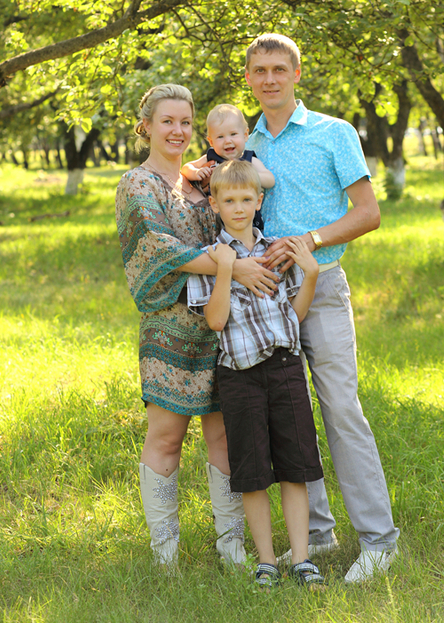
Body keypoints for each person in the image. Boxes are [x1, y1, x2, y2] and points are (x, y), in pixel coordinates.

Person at [244, 34, 400, 584]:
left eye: (278, 69)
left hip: (324, 286)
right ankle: (316, 532)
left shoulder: (334, 132)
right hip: (265, 297)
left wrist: (308, 240)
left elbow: (368, 213)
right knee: (287, 413)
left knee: (340, 408)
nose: (269, 79)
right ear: (248, 78)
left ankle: (379, 541)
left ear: (296, 73)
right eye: (259, 70)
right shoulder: (245, 144)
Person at [115, 84, 278, 568]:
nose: (177, 130)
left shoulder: (206, 181)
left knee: (225, 437)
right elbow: (156, 247)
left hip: (223, 329)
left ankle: (232, 546)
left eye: (185, 122)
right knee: (166, 437)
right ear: (146, 126)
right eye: (167, 121)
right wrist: (233, 266)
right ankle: (165, 554)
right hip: (169, 331)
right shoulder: (137, 184)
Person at [186, 160, 326, 590]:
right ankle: (266, 561)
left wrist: (311, 275)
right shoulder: (210, 258)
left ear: (259, 201)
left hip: (285, 369)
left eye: (246, 199)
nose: (238, 208)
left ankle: (301, 559)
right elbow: (215, 320)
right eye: (229, 200)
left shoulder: (276, 252)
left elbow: (293, 317)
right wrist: (226, 269)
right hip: (240, 377)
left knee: (295, 466)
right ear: (214, 205)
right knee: (252, 471)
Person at [181, 104, 274, 232]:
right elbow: (186, 167)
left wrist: (250, 174)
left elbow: (270, 179)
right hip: (215, 222)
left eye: (233, 134)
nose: (227, 141)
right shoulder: (211, 158)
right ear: (211, 141)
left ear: (245, 135)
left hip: (246, 221)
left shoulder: (249, 160)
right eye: (220, 137)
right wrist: (196, 172)